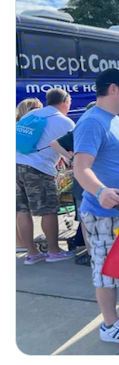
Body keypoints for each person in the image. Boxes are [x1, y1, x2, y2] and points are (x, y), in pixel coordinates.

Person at [73, 68, 119, 345]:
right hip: (103, 212)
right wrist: (101, 190)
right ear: (113, 88)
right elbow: (81, 169)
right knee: (105, 269)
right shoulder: (93, 122)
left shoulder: (112, 119)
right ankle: (109, 324)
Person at [16, 89, 76, 265]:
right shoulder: (64, 122)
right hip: (38, 168)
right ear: (65, 101)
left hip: (14, 164)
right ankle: (54, 251)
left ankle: (32, 254)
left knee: (22, 209)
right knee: (48, 209)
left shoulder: (32, 114)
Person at [50, 101, 97, 266]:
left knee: (84, 218)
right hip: (96, 179)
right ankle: (94, 253)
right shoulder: (101, 129)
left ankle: (91, 254)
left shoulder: (79, 130)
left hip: (81, 179)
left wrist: (70, 158)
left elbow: (55, 143)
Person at [16, 98, 44, 253]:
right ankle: (23, 244)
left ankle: (20, 243)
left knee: (19, 209)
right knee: (24, 208)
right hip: (28, 169)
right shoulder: (33, 127)